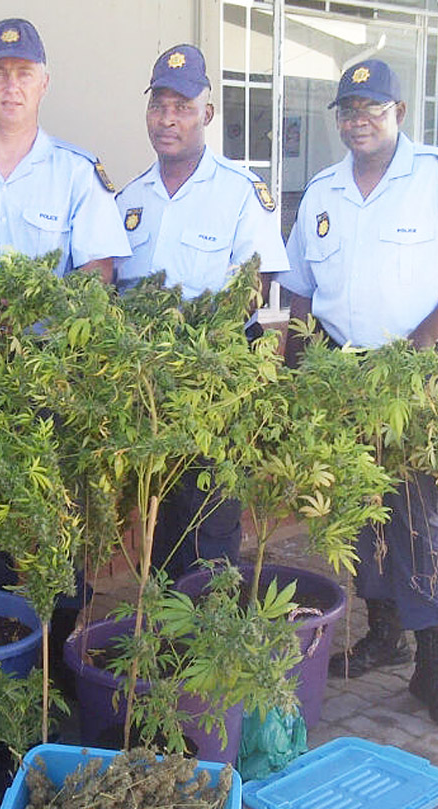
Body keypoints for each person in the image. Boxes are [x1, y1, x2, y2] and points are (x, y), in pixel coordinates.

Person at [277, 59, 438, 726]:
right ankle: (383, 634)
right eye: (348, 109)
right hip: (343, 377)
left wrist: (427, 336)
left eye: (372, 108)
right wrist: (293, 366)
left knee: (419, 515)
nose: (359, 120)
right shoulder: (322, 191)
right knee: (356, 508)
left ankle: (433, 664)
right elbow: (299, 287)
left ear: (399, 113)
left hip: (414, 377)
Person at [0, 18, 131, 654]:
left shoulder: (74, 173)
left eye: (24, 73)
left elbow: (98, 273)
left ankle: (54, 668)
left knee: (54, 533)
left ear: (45, 83)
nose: (11, 85)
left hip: (50, 392)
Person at [115, 44, 289, 580]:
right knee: (160, 519)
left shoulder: (240, 193)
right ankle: (166, 645)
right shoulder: (126, 200)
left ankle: (207, 647)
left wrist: (199, 359)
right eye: (159, 105)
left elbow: (254, 287)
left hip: (213, 394)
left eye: (182, 107)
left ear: (207, 114)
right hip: (147, 395)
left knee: (211, 526)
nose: (168, 119)